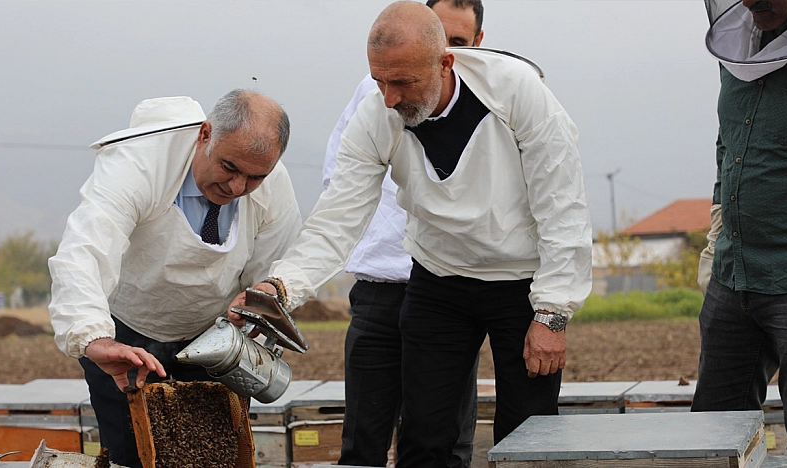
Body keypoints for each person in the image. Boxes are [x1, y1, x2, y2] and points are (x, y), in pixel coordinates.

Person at [231, 2, 592, 466]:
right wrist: (279, 288)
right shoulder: (375, 116)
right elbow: (338, 219)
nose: (389, 97)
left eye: (402, 82)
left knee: (529, 434)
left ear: (445, 63)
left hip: (520, 280)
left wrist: (553, 313)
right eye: (379, 81)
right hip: (439, 280)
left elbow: (562, 204)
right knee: (425, 435)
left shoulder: (516, 91)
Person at [48, 90, 302, 467]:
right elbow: (84, 250)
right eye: (229, 167)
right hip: (128, 339)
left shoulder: (273, 185)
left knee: (216, 455)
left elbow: (275, 266)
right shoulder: (139, 164)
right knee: (132, 456)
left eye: (254, 177)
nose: (237, 187)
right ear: (205, 135)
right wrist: (93, 337)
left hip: (215, 338)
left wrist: (259, 302)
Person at [322, 1, 484, 466]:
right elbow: (340, 181)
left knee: (445, 440)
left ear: (475, 44)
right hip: (382, 287)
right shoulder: (376, 93)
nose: (448, 49)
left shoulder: (492, 100)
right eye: (440, 34)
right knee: (363, 440)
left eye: (458, 42)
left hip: (450, 294)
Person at [693, 0, 787, 455]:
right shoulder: (735, 59)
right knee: (714, 433)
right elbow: (727, 145)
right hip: (732, 278)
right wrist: (717, 228)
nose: (753, 2)